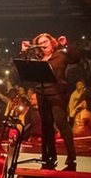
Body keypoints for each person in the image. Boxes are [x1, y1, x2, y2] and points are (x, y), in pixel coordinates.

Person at [20, 33, 81, 168]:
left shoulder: (60, 55)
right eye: (41, 42)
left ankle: (71, 156)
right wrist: (23, 52)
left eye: (45, 41)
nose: (44, 43)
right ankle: (49, 156)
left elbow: (75, 58)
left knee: (61, 123)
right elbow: (23, 69)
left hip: (57, 95)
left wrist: (66, 44)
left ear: (51, 42)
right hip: (42, 94)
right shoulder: (38, 58)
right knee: (46, 127)